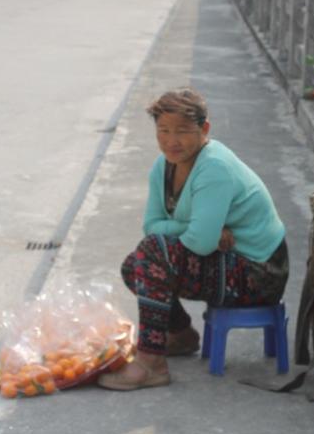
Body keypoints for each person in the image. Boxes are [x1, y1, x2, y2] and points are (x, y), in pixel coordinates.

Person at [98, 88, 289, 390]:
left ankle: (152, 362)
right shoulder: (163, 166)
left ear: (205, 129)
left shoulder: (214, 167)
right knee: (134, 265)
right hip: (226, 258)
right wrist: (196, 227)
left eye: (183, 131)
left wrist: (198, 232)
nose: (172, 141)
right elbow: (152, 225)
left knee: (152, 253)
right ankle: (180, 333)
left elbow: (197, 243)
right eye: (163, 130)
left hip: (260, 271)